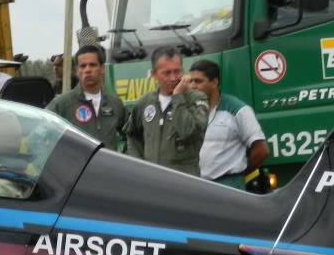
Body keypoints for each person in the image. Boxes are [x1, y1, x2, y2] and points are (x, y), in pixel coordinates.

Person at [123, 47, 209, 176]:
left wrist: (177, 96)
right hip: (152, 181)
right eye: (167, 73)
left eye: (177, 71)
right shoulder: (145, 102)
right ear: (154, 74)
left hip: (184, 182)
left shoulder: (196, 98)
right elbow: (132, 135)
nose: (173, 77)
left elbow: (189, 131)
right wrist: (138, 164)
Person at [188, 59, 268, 189]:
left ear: (214, 82)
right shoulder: (191, 110)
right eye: (190, 81)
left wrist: (242, 173)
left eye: (198, 81)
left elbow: (262, 150)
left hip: (228, 186)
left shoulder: (238, 110)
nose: (192, 86)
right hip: (197, 186)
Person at [45, 45, 125, 150]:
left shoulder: (115, 104)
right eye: (83, 66)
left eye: (92, 65)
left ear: (102, 69)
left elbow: (132, 135)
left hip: (108, 166)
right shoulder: (62, 104)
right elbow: (40, 134)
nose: (87, 70)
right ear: (77, 70)